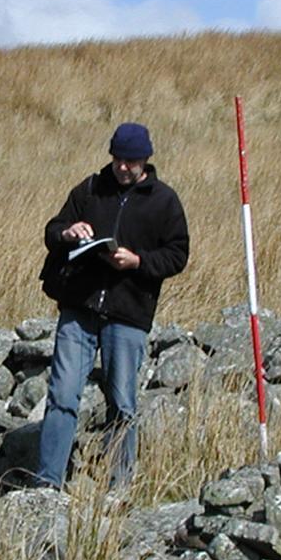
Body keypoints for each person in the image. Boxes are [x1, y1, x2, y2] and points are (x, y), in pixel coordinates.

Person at [35, 121, 191, 490]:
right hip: (79, 308)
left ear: (146, 159)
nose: (123, 166)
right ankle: (47, 483)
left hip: (129, 314)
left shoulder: (164, 201)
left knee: (122, 403)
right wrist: (68, 233)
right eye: (118, 158)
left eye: (131, 160)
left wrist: (138, 262)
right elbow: (52, 230)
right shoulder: (89, 190)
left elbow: (178, 254)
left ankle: (119, 489)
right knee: (61, 397)